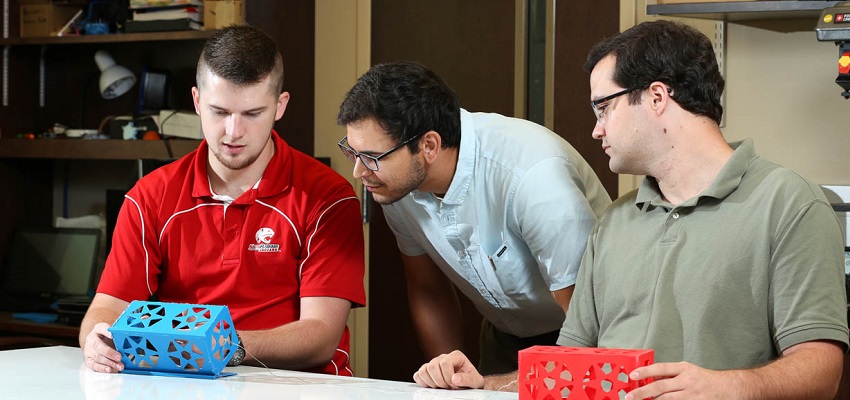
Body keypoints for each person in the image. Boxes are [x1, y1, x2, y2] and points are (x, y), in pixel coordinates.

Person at [412, 20, 849, 399]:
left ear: (657, 97)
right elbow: (572, 365)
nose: (596, 129)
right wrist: (484, 384)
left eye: (604, 107)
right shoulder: (615, 223)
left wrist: (728, 387)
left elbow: (821, 370)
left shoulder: (790, 203)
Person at [79, 25, 366, 376]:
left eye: (252, 113)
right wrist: (96, 339)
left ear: (280, 106)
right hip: (182, 383)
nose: (233, 132)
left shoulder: (329, 197)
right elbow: (106, 308)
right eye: (219, 112)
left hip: (297, 388)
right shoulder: (149, 196)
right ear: (197, 101)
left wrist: (221, 345)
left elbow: (321, 336)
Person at [336, 62, 611, 375]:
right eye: (352, 153)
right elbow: (429, 290)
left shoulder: (532, 177)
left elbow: (587, 326)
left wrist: (495, 385)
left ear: (428, 145)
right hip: (506, 333)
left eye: (371, 157)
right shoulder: (395, 184)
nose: (359, 172)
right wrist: (449, 379)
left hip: (585, 331)